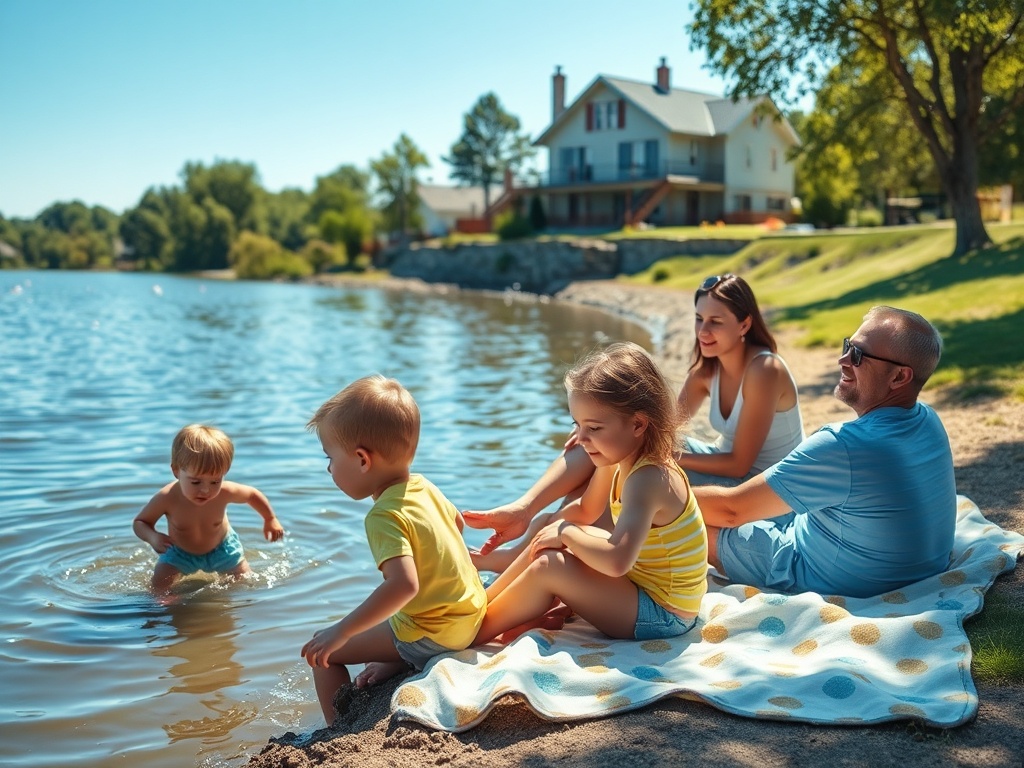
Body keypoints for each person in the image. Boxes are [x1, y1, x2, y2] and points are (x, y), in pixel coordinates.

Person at [464, 273, 802, 566]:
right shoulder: (707, 370)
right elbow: (663, 424)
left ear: (744, 324)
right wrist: (591, 431)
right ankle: (524, 515)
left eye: (716, 321)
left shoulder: (764, 370)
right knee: (602, 449)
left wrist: (656, 453)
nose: (703, 330)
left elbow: (740, 463)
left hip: (759, 490)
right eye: (699, 319)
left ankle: (540, 555)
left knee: (622, 460)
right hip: (721, 464)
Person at [695, 306, 956, 597]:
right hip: (901, 567)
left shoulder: (844, 446)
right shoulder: (927, 419)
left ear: (899, 377)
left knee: (681, 519)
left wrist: (656, 497)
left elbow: (732, 511)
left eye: (858, 355)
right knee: (699, 474)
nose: (843, 360)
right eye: (848, 346)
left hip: (807, 569)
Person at [473, 342, 708, 646]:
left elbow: (617, 561)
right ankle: (483, 604)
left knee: (550, 565)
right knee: (554, 536)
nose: (581, 439)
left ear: (638, 424)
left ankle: (470, 633)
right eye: (578, 425)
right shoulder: (621, 459)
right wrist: (553, 528)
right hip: (643, 589)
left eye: (594, 428)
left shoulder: (647, 479)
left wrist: (566, 534)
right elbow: (586, 510)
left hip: (665, 615)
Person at [301, 375, 486, 726]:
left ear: (361, 460)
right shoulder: (423, 486)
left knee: (322, 651)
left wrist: (341, 631)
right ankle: (398, 658)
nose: (329, 469)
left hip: (436, 633)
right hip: (469, 613)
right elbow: (457, 524)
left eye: (330, 458)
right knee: (384, 618)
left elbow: (404, 586)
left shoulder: (383, 516)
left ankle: (338, 729)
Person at [133, 424, 284, 595]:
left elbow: (251, 495)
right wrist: (153, 537)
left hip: (222, 549)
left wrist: (270, 519)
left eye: (215, 481)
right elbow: (140, 522)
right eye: (195, 482)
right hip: (180, 553)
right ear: (176, 471)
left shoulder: (225, 492)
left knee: (246, 583)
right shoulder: (167, 497)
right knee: (159, 587)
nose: (205, 490)